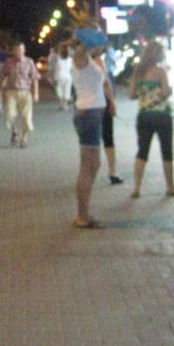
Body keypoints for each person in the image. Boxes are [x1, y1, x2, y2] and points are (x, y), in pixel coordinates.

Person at [128, 40, 174, 199]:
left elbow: (131, 95)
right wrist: (168, 91)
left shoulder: (137, 72)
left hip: (144, 115)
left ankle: (136, 188)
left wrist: (145, 94)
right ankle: (170, 186)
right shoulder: (160, 71)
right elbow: (165, 93)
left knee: (142, 151)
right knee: (167, 151)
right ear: (158, 55)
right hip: (162, 115)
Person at [70, 31, 116, 228]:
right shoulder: (81, 59)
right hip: (88, 115)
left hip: (92, 115)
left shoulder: (90, 60)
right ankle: (82, 217)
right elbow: (78, 54)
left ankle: (84, 215)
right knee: (88, 167)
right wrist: (84, 41)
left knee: (92, 165)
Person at [0, 42, 40, 148]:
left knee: (26, 116)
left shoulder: (29, 62)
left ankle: (24, 138)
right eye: (16, 50)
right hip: (11, 91)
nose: (18, 52)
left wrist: (36, 93)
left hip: (25, 92)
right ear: (13, 51)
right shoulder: (8, 62)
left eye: (20, 50)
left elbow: (35, 78)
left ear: (24, 51)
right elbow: (2, 75)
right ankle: (14, 131)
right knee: (10, 115)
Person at [93, 50, 121, 184]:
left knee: (90, 141)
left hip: (84, 106)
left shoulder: (76, 61)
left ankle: (89, 172)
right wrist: (112, 102)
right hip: (101, 102)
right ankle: (112, 171)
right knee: (108, 137)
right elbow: (106, 83)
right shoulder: (98, 60)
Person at [50, 44, 73, 110]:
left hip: (58, 76)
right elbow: (72, 69)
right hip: (68, 76)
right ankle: (65, 105)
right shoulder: (70, 59)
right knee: (67, 90)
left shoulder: (57, 58)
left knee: (59, 90)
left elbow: (53, 68)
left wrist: (51, 76)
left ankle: (61, 104)